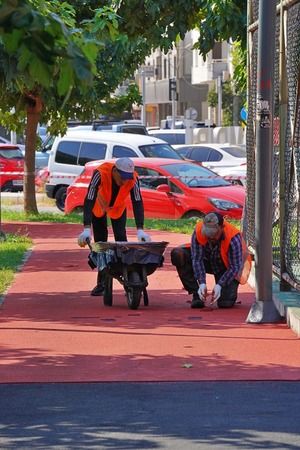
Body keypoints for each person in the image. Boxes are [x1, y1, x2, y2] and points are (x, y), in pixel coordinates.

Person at [78, 157, 151, 295]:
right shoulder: (100, 173)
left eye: (127, 178)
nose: (124, 181)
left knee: (122, 241)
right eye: (122, 177)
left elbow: (137, 201)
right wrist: (87, 228)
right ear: (115, 171)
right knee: (101, 244)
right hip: (99, 206)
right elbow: (89, 198)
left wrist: (140, 229)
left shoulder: (133, 179)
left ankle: (129, 281)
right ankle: (102, 283)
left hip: (118, 208)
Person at [171, 212, 251, 309]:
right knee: (178, 254)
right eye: (207, 234)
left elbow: (235, 267)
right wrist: (202, 283)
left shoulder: (233, 237)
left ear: (221, 228)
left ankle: (225, 292)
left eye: (214, 234)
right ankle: (197, 294)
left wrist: (220, 285)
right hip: (208, 260)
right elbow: (197, 259)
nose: (210, 238)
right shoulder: (198, 231)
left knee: (225, 303)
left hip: (225, 266)